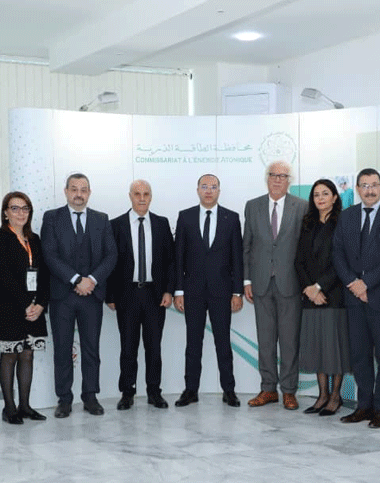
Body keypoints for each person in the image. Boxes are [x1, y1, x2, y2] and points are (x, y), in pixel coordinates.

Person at [332, 169, 380, 427]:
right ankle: (363, 406)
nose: (369, 190)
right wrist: (354, 284)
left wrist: (367, 283)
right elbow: (337, 252)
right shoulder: (347, 216)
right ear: (357, 189)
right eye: (364, 185)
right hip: (353, 298)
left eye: (374, 185)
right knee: (359, 356)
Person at [41, 173, 117, 417]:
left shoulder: (101, 219)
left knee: (91, 348)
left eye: (83, 189)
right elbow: (49, 254)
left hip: (91, 296)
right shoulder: (52, 218)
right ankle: (64, 399)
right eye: (74, 189)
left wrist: (91, 280)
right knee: (62, 349)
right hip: (62, 296)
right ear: (66, 191)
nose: (78, 194)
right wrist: (76, 279)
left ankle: (90, 396)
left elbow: (111, 255)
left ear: (89, 193)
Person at [173, 174, 243, 408]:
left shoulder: (231, 218)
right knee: (193, 343)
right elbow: (178, 257)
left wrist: (237, 292)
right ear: (198, 190)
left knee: (223, 343)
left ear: (219, 191)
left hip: (222, 291)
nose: (209, 191)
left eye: (213, 187)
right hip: (192, 291)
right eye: (204, 186)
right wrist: (179, 291)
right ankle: (190, 390)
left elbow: (237, 258)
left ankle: (229, 390)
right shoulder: (185, 217)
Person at [106, 180, 175, 410]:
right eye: (137, 194)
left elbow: (170, 261)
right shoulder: (116, 225)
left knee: (154, 348)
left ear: (151, 196)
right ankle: (127, 392)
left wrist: (169, 290)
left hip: (155, 295)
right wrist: (110, 295)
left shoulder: (162, 223)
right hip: (127, 295)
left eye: (146, 194)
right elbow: (110, 262)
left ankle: (154, 392)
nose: (142, 198)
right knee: (128, 347)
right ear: (130, 196)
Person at [243, 161, 307, 410]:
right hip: (260, 284)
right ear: (267, 178)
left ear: (289, 180)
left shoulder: (301, 206)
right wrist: (247, 280)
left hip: (290, 284)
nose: (278, 179)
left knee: (290, 342)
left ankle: (289, 391)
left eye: (283, 176)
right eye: (273, 175)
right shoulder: (253, 206)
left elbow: (305, 247)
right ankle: (268, 389)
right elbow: (246, 246)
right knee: (266, 340)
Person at [0, 192, 50, 424]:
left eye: (25, 208)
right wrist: (26, 304)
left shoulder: (35, 239)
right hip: (8, 306)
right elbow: (4, 275)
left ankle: (25, 406)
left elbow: (45, 275)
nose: (21, 213)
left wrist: (41, 304)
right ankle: (9, 408)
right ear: (5, 213)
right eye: (15, 208)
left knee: (28, 354)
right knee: (10, 355)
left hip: (34, 307)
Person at [294, 179, 350, 417]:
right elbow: (298, 260)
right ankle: (322, 395)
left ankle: (335, 396)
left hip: (333, 295)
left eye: (325, 194)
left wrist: (319, 287)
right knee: (317, 347)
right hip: (310, 297)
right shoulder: (307, 223)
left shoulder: (343, 222)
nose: (320, 198)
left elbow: (343, 261)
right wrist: (309, 289)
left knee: (334, 349)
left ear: (335, 197)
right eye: (316, 194)